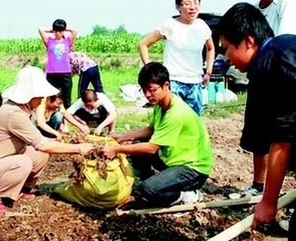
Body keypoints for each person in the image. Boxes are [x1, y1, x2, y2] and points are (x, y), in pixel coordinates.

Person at [0, 66, 94, 217]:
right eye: (40, 96)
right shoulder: (14, 114)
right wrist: (78, 148)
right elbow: (43, 144)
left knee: (40, 155)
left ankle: (23, 188)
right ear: (30, 96)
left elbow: (41, 144)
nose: (42, 100)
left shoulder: (19, 110)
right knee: (23, 162)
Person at [216, 3, 296, 238]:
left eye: (227, 47)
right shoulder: (281, 49)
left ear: (249, 41)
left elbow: (282, 141)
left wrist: (269, 203)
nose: (227, 57)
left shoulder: (276, 65)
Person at [102, 62, 214, 207]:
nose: (148, 95)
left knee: (149, 189)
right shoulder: (161, 105)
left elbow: (151, 148)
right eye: (144, 90)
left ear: (166, 85)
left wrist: (116, 149)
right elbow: (150, 130)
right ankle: (152, 183)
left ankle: (189, 195)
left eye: (152, 90)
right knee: (137, 146)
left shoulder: (176, 113)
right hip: (172, 161)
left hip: (193, 170)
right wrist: (123, 137)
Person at [242, 0, 296, 197]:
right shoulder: (255, 10)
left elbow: (284, 44)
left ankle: (273, 194)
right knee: (258, 132)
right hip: (262, 73)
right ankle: (259, 185)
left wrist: (270, 203)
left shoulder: (286, 4)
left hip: (279, 74)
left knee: (281, 135)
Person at [138, 0, 215, 116]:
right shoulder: (170, 25)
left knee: (193, 123)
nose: (192, 7)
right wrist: (150, 70)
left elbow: (210, 49)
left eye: (196, 3)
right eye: (187, 3)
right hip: (173, 84)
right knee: (170, 120)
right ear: (178, 7)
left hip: (195, 84)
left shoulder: (202, 27)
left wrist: (208, 72)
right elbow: (143, 44)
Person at [38, 19, 78, 108]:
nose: (58, 33)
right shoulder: (49, 41)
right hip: (52, 73)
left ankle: (66, 118)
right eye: (56, 31)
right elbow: (41, 29)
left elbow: (75, 30)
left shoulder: (67, 41)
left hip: (65, 73)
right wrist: (53, 29)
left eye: (60, 31)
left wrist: (63, 28)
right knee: (51, 97)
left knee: (66, 97)